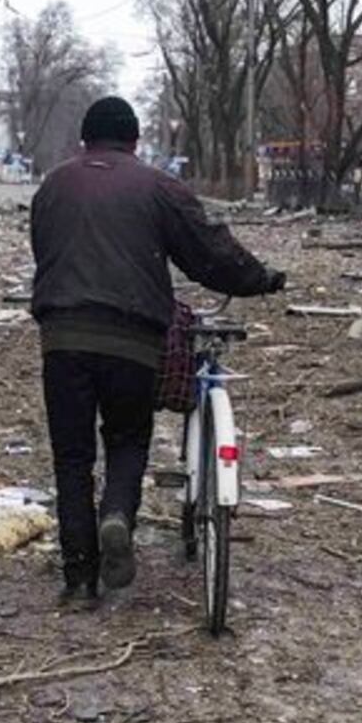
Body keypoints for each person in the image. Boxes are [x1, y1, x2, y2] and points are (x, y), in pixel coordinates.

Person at [28, 96, 285, 608]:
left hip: (63, 337)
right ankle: (118, 514)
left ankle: (79, 579)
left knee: (72, 456)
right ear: (134, 139)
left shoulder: (53, 185)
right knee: (126, 438)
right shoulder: (157, 187)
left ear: (85, 137)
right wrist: (261, 280)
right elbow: (208, 253)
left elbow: (45, 249)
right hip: (133, 339)